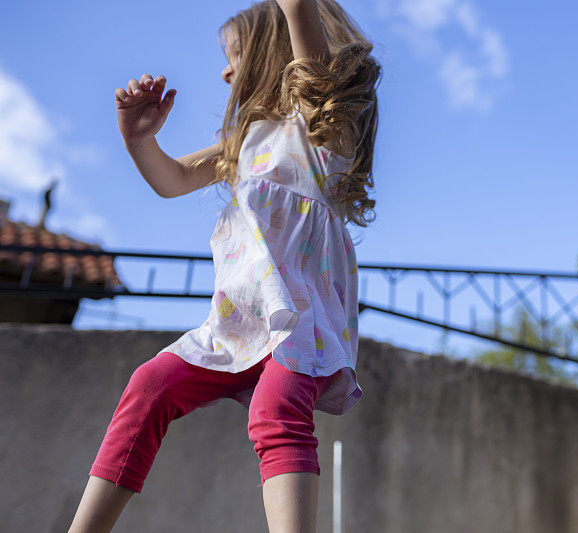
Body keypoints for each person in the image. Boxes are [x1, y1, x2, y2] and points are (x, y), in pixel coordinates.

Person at [69, 1, 380, 531]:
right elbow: (171, 180)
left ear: (274, 53)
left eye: (234, 54)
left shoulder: (326, 131)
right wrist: (140, 140)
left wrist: (295, 9)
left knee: (275, 410)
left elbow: (315, 70)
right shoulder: (246, 141)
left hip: (302, 323)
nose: (225, 70)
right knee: (150, 384)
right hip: (237, 324)